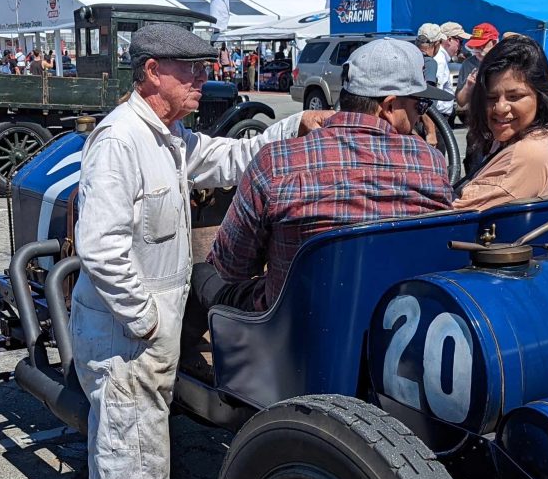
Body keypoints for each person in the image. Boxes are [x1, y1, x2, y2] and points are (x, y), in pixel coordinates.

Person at [69, 22, 315, 479]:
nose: (204, 79)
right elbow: (100, 244)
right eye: (191, 69)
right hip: (124, 330)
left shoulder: (171, 138)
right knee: (134, 456)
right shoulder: (122, 140)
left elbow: (234, 158)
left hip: (141, 326)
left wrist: (297, 125)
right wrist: (144, 318)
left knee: (123, 447)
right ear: (153, 72)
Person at [188, 38, 454, 326]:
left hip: (290, 332)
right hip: (390, 326)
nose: (421, 115)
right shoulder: (432, 165)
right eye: (420, 105)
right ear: (388, 107)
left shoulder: (276, 163)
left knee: (203, 274)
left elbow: (231, 265)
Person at [452, 36, 548, 211]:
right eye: (491, 98)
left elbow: (455, 217)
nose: (500, 108)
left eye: (515, 97)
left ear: (540, 97)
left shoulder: (526, 153)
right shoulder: (526, 136)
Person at [455, 22, 500, 111]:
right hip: (477, 117)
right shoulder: (468, 64)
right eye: (475, 46)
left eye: (482, 45)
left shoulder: (504, 62)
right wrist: (468, 86)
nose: (477, 50)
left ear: (494, 42)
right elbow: (461, 102)